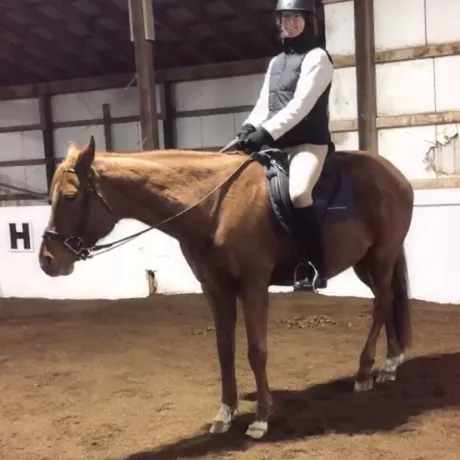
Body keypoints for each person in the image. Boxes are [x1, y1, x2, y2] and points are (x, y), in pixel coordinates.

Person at [236, 0, 334, 292]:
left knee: (299, 192)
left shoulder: (318, 58)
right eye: (285, 18)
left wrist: (265, 132)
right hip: (277, 145)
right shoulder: (276, 62)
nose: (290, 23)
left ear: (307, 20)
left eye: (296, 17)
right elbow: (264, 103)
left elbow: (300, 106)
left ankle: (315, 263)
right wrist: (249, 126)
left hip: (308, 145)